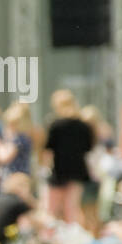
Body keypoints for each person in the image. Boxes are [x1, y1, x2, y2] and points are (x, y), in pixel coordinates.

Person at [43, 89, 93, 225]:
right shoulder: (84, 126)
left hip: (59, 171)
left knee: (52, 209)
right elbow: (88, 148)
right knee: (72, 208)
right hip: (77, 170)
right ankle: (74, 237)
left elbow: (48, 150)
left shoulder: (56, 125)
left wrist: (45, 169)